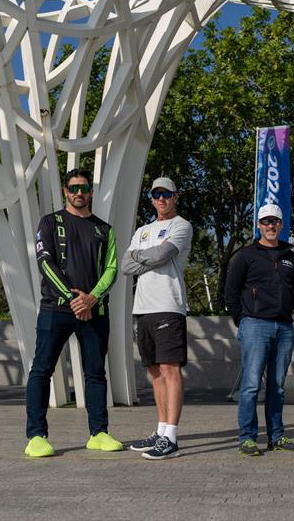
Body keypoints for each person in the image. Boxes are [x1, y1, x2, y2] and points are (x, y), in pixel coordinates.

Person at [24, 169, 122, 457]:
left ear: (91, 192)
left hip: (95, 310)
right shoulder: (50, 222)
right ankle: (36, 436)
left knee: (95, 374)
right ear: (65, 191)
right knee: (42, 370)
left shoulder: (105, 229)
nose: (79, 193)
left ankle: (99, 433)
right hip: (56, 309)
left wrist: (91, 299)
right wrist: (72, 298)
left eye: (84, 188)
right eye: (73, 188)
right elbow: (45, 262)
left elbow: (112, 269)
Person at [122, 178, 192, 460]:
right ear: (151, 198)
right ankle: (161, 430)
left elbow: (164, 254)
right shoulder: (142, 230)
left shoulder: (181, 225)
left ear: (175, 197)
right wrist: (144, 256)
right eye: (156, 194)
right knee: (153, 371)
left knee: (170, 368)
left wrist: (139, 255)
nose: (161, 199)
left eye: (167, 194)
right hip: (143, 308)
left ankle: (172, 438)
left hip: (168, 306)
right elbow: (126, 265)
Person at [225, 204, 294, 456]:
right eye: (266, 221)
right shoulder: (245, 256)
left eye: (275, 221)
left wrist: (285, 309)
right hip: (255, 325)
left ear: (281, 225)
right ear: (258, 225)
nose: (270, 226)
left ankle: (276, 436)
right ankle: (247, 438)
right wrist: (243, 319)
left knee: (277, 387)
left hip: (284, 327)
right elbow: (231, 291)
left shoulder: (290, 256)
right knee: (250, 385)